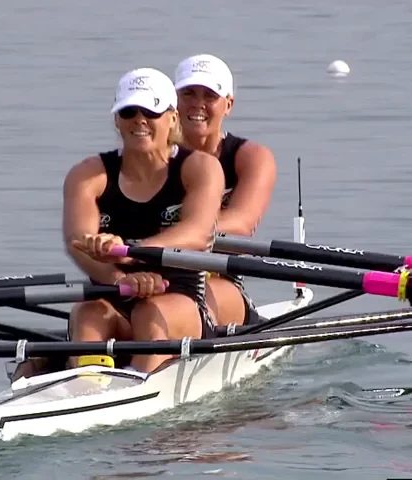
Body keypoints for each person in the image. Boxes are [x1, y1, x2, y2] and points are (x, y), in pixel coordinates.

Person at [14, 67, 225, 379]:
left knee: (150, 314)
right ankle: (85, 384)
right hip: (112, 291)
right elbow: (78, 240)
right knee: (88, 314)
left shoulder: (200, 167)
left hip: (180, 297)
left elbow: (198, 233)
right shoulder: (88, 174)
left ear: (172, 118)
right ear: (117, 120)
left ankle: (137, 384)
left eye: (151, 111)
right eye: (129, 112)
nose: (139, 120)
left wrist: (130, 250)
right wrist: (118, 278)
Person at [174, 53, 277, 329]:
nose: (198, 104)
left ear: (228, 104)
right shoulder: (150, 159)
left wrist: (171, 233)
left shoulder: (251, 157)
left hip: (219, 279)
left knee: (191, 301)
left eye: (210, 95)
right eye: (188, 93)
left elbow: (242, 224)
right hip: (155, 276)